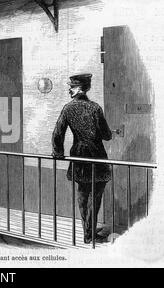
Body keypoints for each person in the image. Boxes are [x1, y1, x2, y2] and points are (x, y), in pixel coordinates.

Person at [52, 73, 112, 244]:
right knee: (96, 194)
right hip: (96, 155)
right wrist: (106, 134)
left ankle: (88, 230)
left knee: (83, 193)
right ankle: (89, 233)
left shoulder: (68, 108)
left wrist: (58, 153)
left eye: (71, 87)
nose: (69, 90)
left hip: (78, 155)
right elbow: (106, 135)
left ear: (79, 88)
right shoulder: (95, 108)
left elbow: (57, 134)